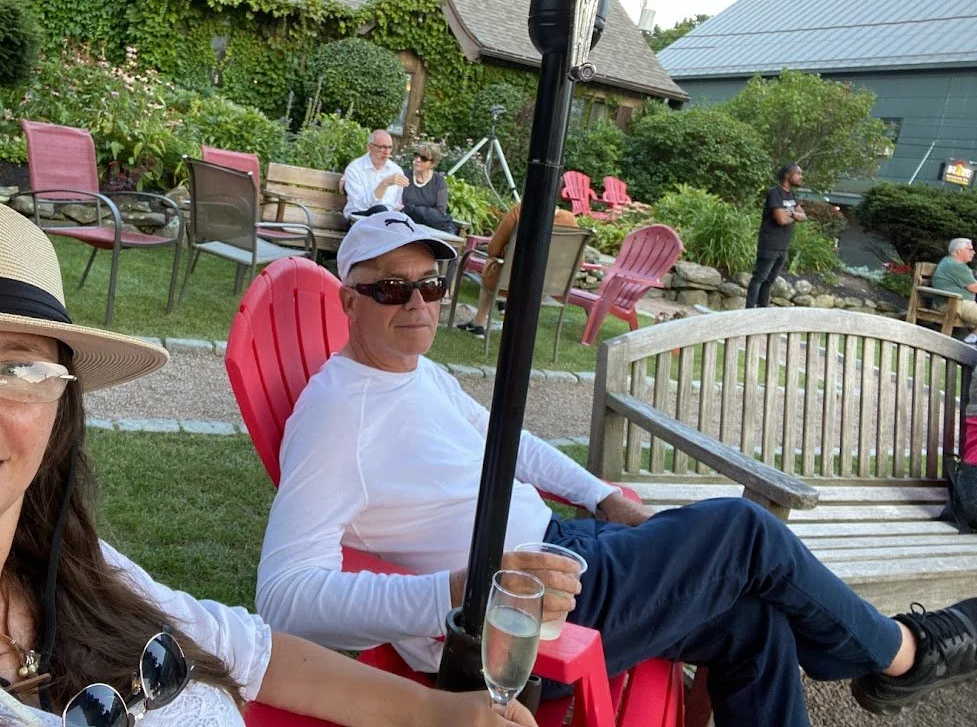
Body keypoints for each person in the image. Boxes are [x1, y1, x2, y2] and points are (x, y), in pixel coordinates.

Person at [0, 194, 533, 727]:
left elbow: (252, 650)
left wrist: (435, 712)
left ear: (58, 411)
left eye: (18, 367)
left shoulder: (78, 570)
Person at [256, 209, 977, 727]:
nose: (416, 303)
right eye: (390, 288)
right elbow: (284, 599)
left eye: (431, 284)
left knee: (756, 624)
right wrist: (465, 589)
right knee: (740, 529)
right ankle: (904, 654)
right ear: (348, 299)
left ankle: (891, 656)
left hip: (564, 547)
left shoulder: (415, 371)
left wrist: (604, 496)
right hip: (518, 618)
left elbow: (507, 441)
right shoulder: (335, 417)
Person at [456, 199, 577, 338]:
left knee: (492, 263)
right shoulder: (569, 220)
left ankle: (478, 323)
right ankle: (509, 315)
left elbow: (493, 250)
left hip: (510, 283)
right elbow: (578, 261)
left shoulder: (520, 211)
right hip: (543, 288)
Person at [745, 164, 807, 308]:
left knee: (769, 281)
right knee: (759, 278)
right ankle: (748, 312)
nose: (801, 177)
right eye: (798, 173)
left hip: (783, 247)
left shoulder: (792, 196)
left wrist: (790, 213)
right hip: (769, 244)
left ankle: (762, 311)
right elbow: (781, 220)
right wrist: (794, 216)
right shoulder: (775, 193)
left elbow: (804, 216)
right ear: (787, 175)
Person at [342, 129, 407, 218]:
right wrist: (384, 184)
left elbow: (396, 204)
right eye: (382, 147)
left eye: (389, 147)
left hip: (387, 220)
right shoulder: (355, 169)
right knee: (380, 209)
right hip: (359, 218)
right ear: (369, 148)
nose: (386, 152)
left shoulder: (396, 170)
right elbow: (359, 205)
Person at [401, 142, 456, 234]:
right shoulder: (404, 175)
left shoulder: (439, 181)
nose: (418, 160)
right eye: (416, 155)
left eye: (424, 158)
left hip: (429, 226)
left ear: (432, 163)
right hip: (405, 223)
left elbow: (440, 211)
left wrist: (415, 210)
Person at [930, 238, 977, 335]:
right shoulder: (956, 266)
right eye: (970, 249)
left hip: (955, 303)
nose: (973, 252)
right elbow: (975, 288)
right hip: (954, 304)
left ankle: (971, 340)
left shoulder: (949, 261)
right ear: (959, 251)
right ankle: (970, 341)